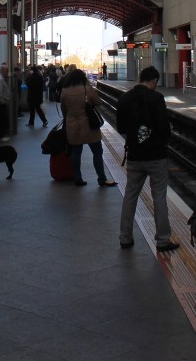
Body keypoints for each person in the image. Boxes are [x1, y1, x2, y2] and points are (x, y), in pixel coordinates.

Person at [116, 65, 179, 252]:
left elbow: (121, 129)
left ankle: (125, 237)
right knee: (159, 196)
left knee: (130, 195)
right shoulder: (156, 98)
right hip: (156, 156)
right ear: (153, 80)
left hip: (135, 155)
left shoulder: (125, 98)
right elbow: (162, 127)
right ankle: (162, 240)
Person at [60, 67, 116, 187]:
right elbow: (98, 102)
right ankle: (101, 178)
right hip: (89, 125)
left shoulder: (65, 91)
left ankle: (77, 178)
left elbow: (64, 110)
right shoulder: (86, 89)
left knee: (76, 152)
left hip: (72, 125)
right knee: (97, 152)